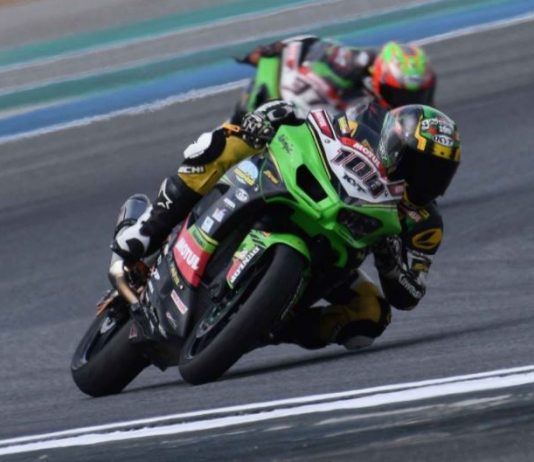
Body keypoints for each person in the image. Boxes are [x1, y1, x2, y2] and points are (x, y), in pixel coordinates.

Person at [112, 99, 460, 350]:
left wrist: (389, 256)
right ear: (394, 147)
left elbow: (409, 294)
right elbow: (314, 117)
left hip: (336, 254)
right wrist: (271, 114)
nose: (424, 181)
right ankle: (147, 229)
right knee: (226, 142)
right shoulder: (361, 126)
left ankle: (268, 326)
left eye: (437, 175)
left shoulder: (425, 225)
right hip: (302, 193)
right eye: (418, 167)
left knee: (372, 315)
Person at [231, 36, 437, 122]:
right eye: (399, 94)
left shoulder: (424, 114)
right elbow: (315, 46)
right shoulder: (352, 63)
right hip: (310, 113)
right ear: (378, 79)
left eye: (418, 95)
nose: (407, 102)